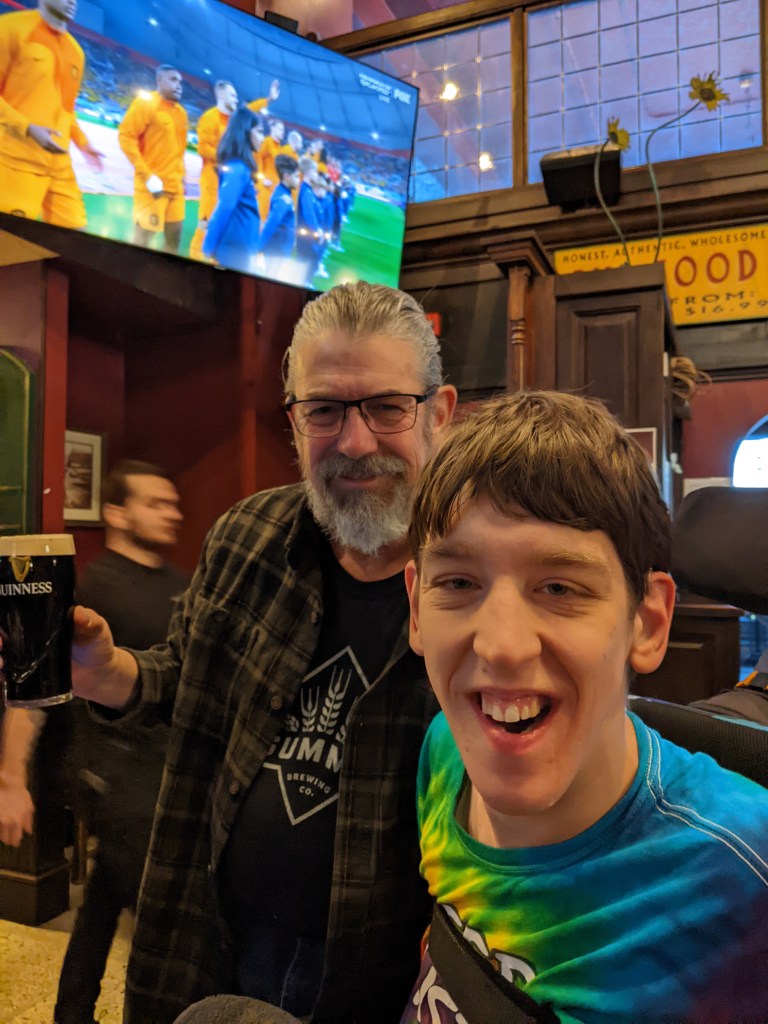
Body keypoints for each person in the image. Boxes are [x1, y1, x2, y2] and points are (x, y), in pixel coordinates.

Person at [8, 283, 458, 1024]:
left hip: (380, 981)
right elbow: (185, 676)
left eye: (385, 407)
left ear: (437, 413)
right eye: (324, 410)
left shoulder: (478, 573)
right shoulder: (247, 537)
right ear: (294, 421)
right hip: (213, 944)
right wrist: (109, 672)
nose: (354, 441)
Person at [401, 391, 768, 1024]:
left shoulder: (742, 882)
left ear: (647, 623)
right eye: (458, 583)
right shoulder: (445, 753)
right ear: (415, 608)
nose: (503, 646)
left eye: (559, 588)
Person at [0, 0, 103, 227]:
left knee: (78, 236)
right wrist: (26, 128)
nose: (72, 1)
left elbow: (67, 110)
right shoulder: (10, 29)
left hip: (59, 164)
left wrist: (84, 144)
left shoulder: (76, 53)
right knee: (12, 247)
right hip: (16, 162)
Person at [189, 78, 279, 261]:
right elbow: (202, 149)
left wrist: (268, 99)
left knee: (227, 225)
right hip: (213, 184)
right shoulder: (209, 118)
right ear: (221, 95)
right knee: (207, 226)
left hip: (230, 182)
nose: (236, 99)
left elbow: (249, 112)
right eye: (232, 95)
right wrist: (228, 155)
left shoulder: (236, 120)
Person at [118, 64, 188, 253]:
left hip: (176, 189)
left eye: (180, 82)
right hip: (152, 189)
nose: (179, 85)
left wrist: (184, 177)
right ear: (159, 80)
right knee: (141, 244)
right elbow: (126, 137)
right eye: (173, 80)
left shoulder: (182, 113)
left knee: (174, 241)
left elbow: (180, 150)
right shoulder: (146, 104)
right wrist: (147, 176)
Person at [202, 108, 265, 273]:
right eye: (259, 132)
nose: (262, 138)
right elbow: (225, 207)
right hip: (234, 252)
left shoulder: (241, 168)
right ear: (245, 131)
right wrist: (209, 247)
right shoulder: (238, 169)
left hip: (240, 249)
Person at [256, 153, 299, 278]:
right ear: (286, 176)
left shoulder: (285, 193)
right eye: (296, 176)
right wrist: (259, 248)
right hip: (277, 251)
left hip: (281, 249)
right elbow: (271, 224)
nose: (298, 180)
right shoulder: (282, 198)